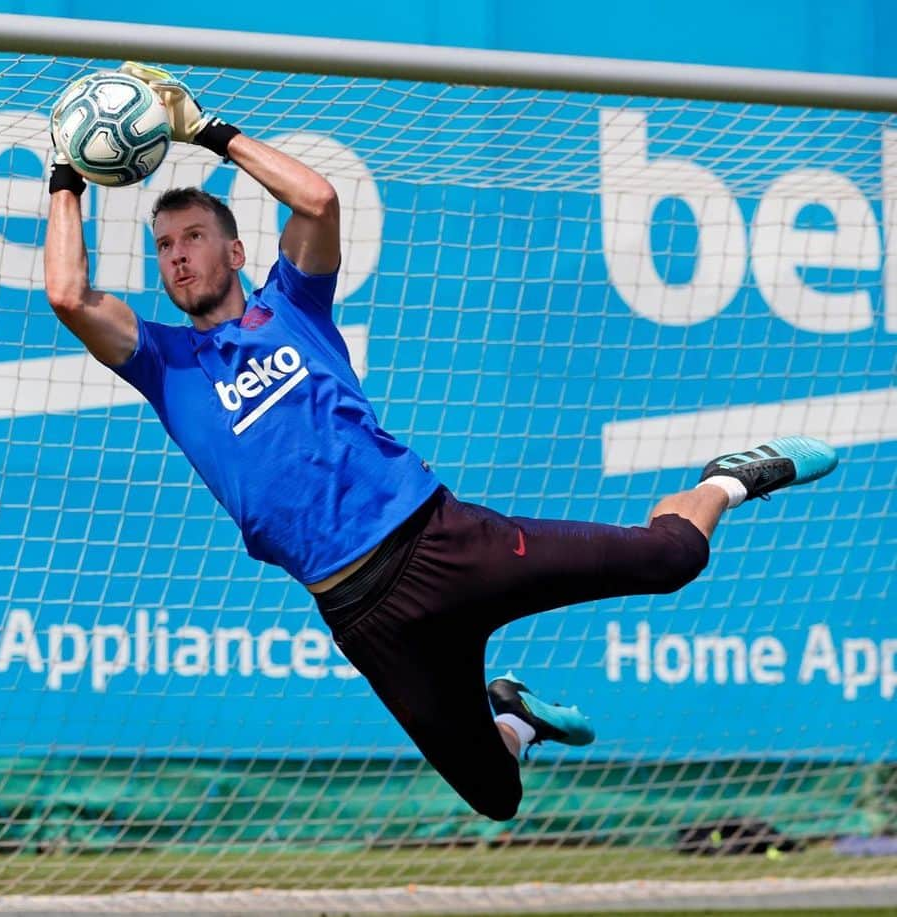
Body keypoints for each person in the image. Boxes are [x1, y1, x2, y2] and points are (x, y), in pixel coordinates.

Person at [43, 64, 839, 822]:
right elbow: (67, 292)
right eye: (165, 246)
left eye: (192, 237)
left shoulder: (293, 306)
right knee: (497, 796)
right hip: (360, 612)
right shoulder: (164, 362)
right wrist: (66, 171)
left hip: (440, 544)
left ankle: (723, 482)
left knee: (673, 559)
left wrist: (209, 132)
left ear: (236, 251)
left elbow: (318, 200)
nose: (177, 256)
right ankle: (515, 717)